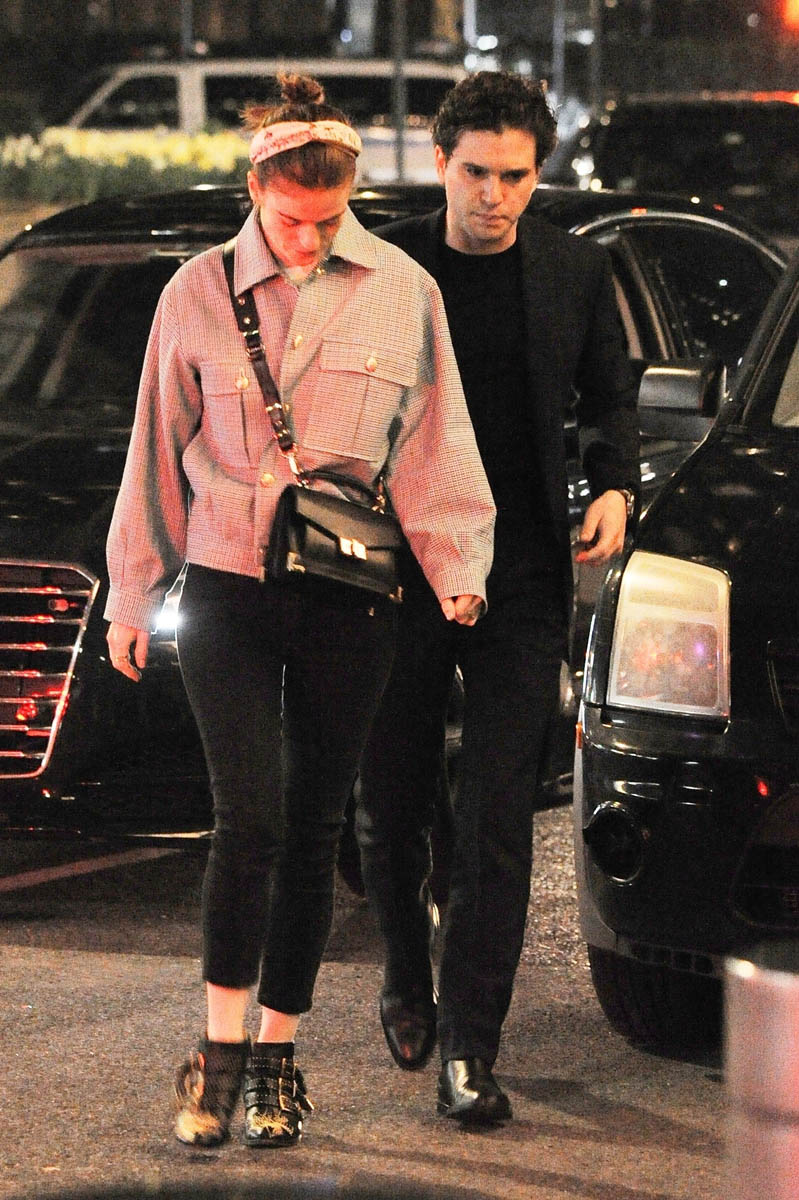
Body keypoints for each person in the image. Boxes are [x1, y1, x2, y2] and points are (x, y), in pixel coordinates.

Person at [104, 73, 495, 1150]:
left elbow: (434, 439)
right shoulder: (194, 292)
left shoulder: (404, 288)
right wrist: (134, 590)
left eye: (330, 218)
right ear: (255, 192)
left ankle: (278, 1055)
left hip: (349, 592)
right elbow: (155, 446)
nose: (311, 239)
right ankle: (219, 1051)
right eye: (290, 220)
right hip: (227, 583)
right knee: (251, 819)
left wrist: (457, 560)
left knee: (320, 825)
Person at [355, 71, 641, 1125]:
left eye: (516, 176)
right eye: (476, 173)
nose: (495, 195)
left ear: (537, 173)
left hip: (520, 568)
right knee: (388, 799)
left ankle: (472, 1048)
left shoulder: (572, 268)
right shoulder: (387, 265)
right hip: (401, 565)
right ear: (441, 164)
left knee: (496, 819)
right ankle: (404, 969)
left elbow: (610, 392)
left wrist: (612, 482)